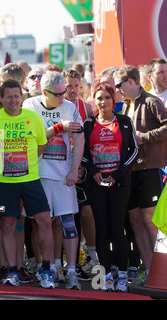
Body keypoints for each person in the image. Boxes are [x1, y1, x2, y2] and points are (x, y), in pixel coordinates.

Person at [0, 79, 54, 288]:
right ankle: (12, 271)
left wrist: (28, 164)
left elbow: (41, 145)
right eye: (9, 96)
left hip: (31, 180)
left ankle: (47, 269)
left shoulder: (33, 118)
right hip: (5, 182)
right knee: (7, 224)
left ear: (21, 98)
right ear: (1, 98)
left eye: (17, 96)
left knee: (45, 221)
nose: (13, 100)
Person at [23, 71, 84, 290]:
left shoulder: (69, 107)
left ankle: (70, 272)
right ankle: (44, 268)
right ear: (43, 91)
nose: (62, 97)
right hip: (37, 174)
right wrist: (59, 127)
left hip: (62, 175)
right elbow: (33, 136)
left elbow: (80, 137)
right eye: (57, 94)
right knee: (42, 223)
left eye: (64, 92)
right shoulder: (30, 105)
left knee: (68, 224)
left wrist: (74, 170)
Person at [81, 82, 138, 292]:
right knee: (101, 229)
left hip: (119, 183)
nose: (103, 102)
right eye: (99, 98)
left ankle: (122, 274)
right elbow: (83, 154)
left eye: (107, 98)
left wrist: (116, 173)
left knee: (117, 227)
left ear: (113, 100)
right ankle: (106, 275)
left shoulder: (124, 121)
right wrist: (93, 169)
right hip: (96, 184)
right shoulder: (88, 124)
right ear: (94, 102)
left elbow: (134, 152)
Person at [114, 64, 167, 284]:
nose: (117, 89)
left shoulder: (152, 101)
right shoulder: (127, 105)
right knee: (135, 221)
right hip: (131, 170)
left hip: (149, 169)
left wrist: (145, 137)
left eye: (119, 85)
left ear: (131, 82)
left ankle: (162, 270)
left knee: (150, 221)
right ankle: (150, 270)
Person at [62, 68, 99, 275]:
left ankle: (91, 254)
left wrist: (84, 166)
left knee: (86, 211)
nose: (73, 90)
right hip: (59, 165)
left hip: (82, 166)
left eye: (77, 86)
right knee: (65, 215)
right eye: (69, 86)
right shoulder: (58, 106)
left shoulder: (86, 107)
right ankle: (65, 261)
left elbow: (91, 140)